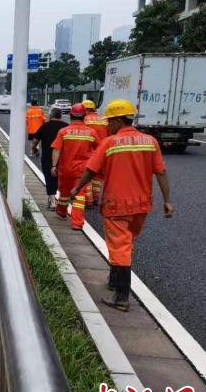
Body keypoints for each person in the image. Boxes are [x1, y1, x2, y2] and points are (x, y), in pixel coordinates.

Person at [70, 99, 174, 312]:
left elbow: (90, 169)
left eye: (109, 121)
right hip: (141, 206)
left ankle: (121, 297)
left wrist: (76, 189)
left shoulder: (109, 143)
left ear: (118, 120)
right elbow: (161, 172)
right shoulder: (150, 141)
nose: (107, 125)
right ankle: (114, 281)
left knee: (120, 248)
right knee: (126, 244)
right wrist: (167, 200)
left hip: (116, 204)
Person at [50, 103, 99, 230]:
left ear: (70, 115)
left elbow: (56, 150)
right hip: (82, 170)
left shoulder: (63, 131)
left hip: (65, 168)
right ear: (84, 116)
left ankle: (61, 212)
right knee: (80, 195)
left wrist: (54, 166)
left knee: (64, 192)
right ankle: (77, 223)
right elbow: (98, 150)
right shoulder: (91, 132)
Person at [31, 107, 67, 210]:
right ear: (60, 116)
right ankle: (60, 201)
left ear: (50, 115)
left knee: (49, 176)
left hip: (47, 156)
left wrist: (34, 150)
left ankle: (52, 201)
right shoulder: (66, 126)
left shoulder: (45, 126)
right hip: (63, 157)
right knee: (60, 178)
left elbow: (35, 140)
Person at [83, 99, 108, 205]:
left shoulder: (85, 120)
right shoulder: (104, 119)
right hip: (103, 151)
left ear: (87, 109)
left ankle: (88, 200)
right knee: (98, 177)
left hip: (90, 151)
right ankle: (96, 197)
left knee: (87, 176)